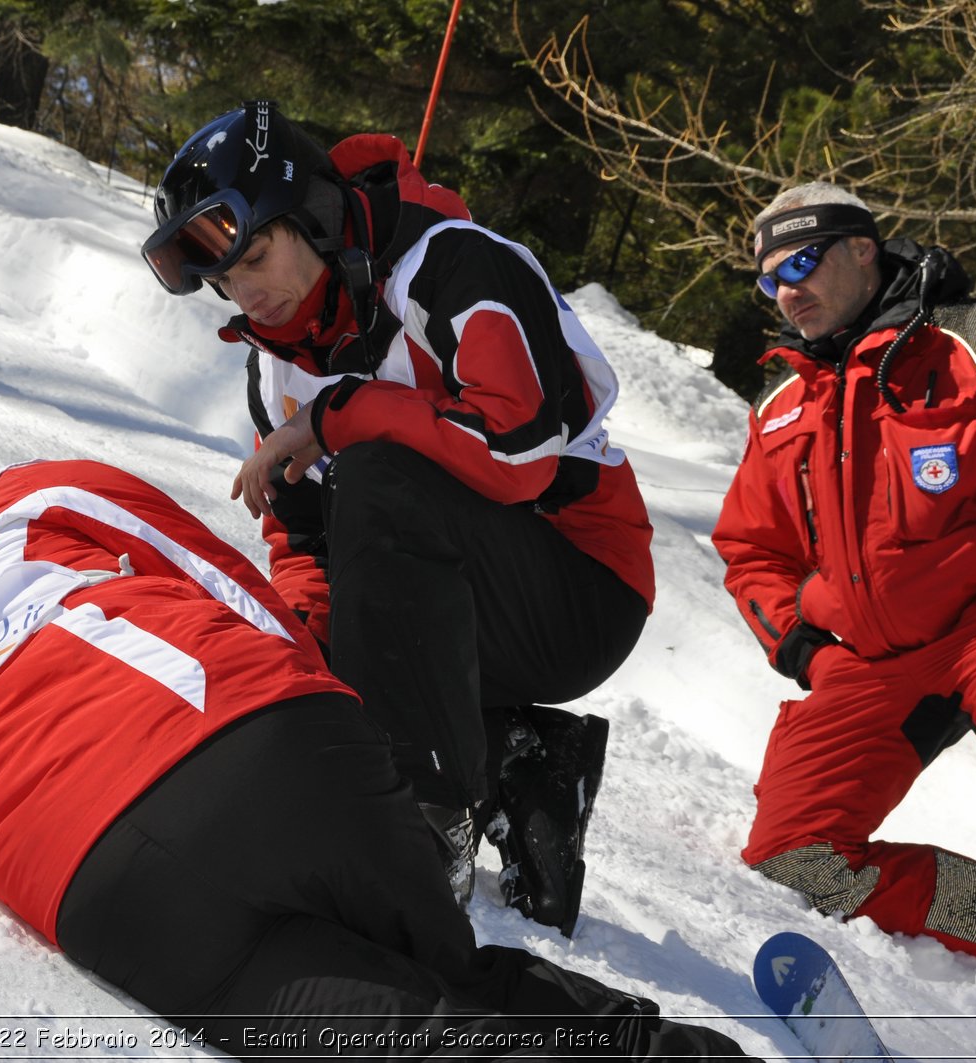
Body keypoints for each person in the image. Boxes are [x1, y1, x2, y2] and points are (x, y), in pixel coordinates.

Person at [0, 452, 752, 1060]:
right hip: (255, 743)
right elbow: (214, 576)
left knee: (415, 1037)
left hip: (100, 890)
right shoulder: (8, 500)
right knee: (440, 960)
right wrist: (324, 702)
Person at [139, 100, 655, 934]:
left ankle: (428, 820)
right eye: (226, 281)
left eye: (258, 256)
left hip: (579, 582)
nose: (247, 293)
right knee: (296, 648)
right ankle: (524, 767)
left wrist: (345, 409)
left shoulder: (455, 266)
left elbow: (519, 453)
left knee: (381, 474)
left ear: (308, 214)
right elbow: (304, 541)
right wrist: (309, 656)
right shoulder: (280, 368)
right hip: (472, 608)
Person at [712, 180, 976, 1044]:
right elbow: (751, 552)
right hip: (871, 660)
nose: (787, 290)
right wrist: (809, 652)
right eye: (769, 280)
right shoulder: (783, 404)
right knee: (793, 858)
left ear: (863, 249)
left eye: (801, 262)